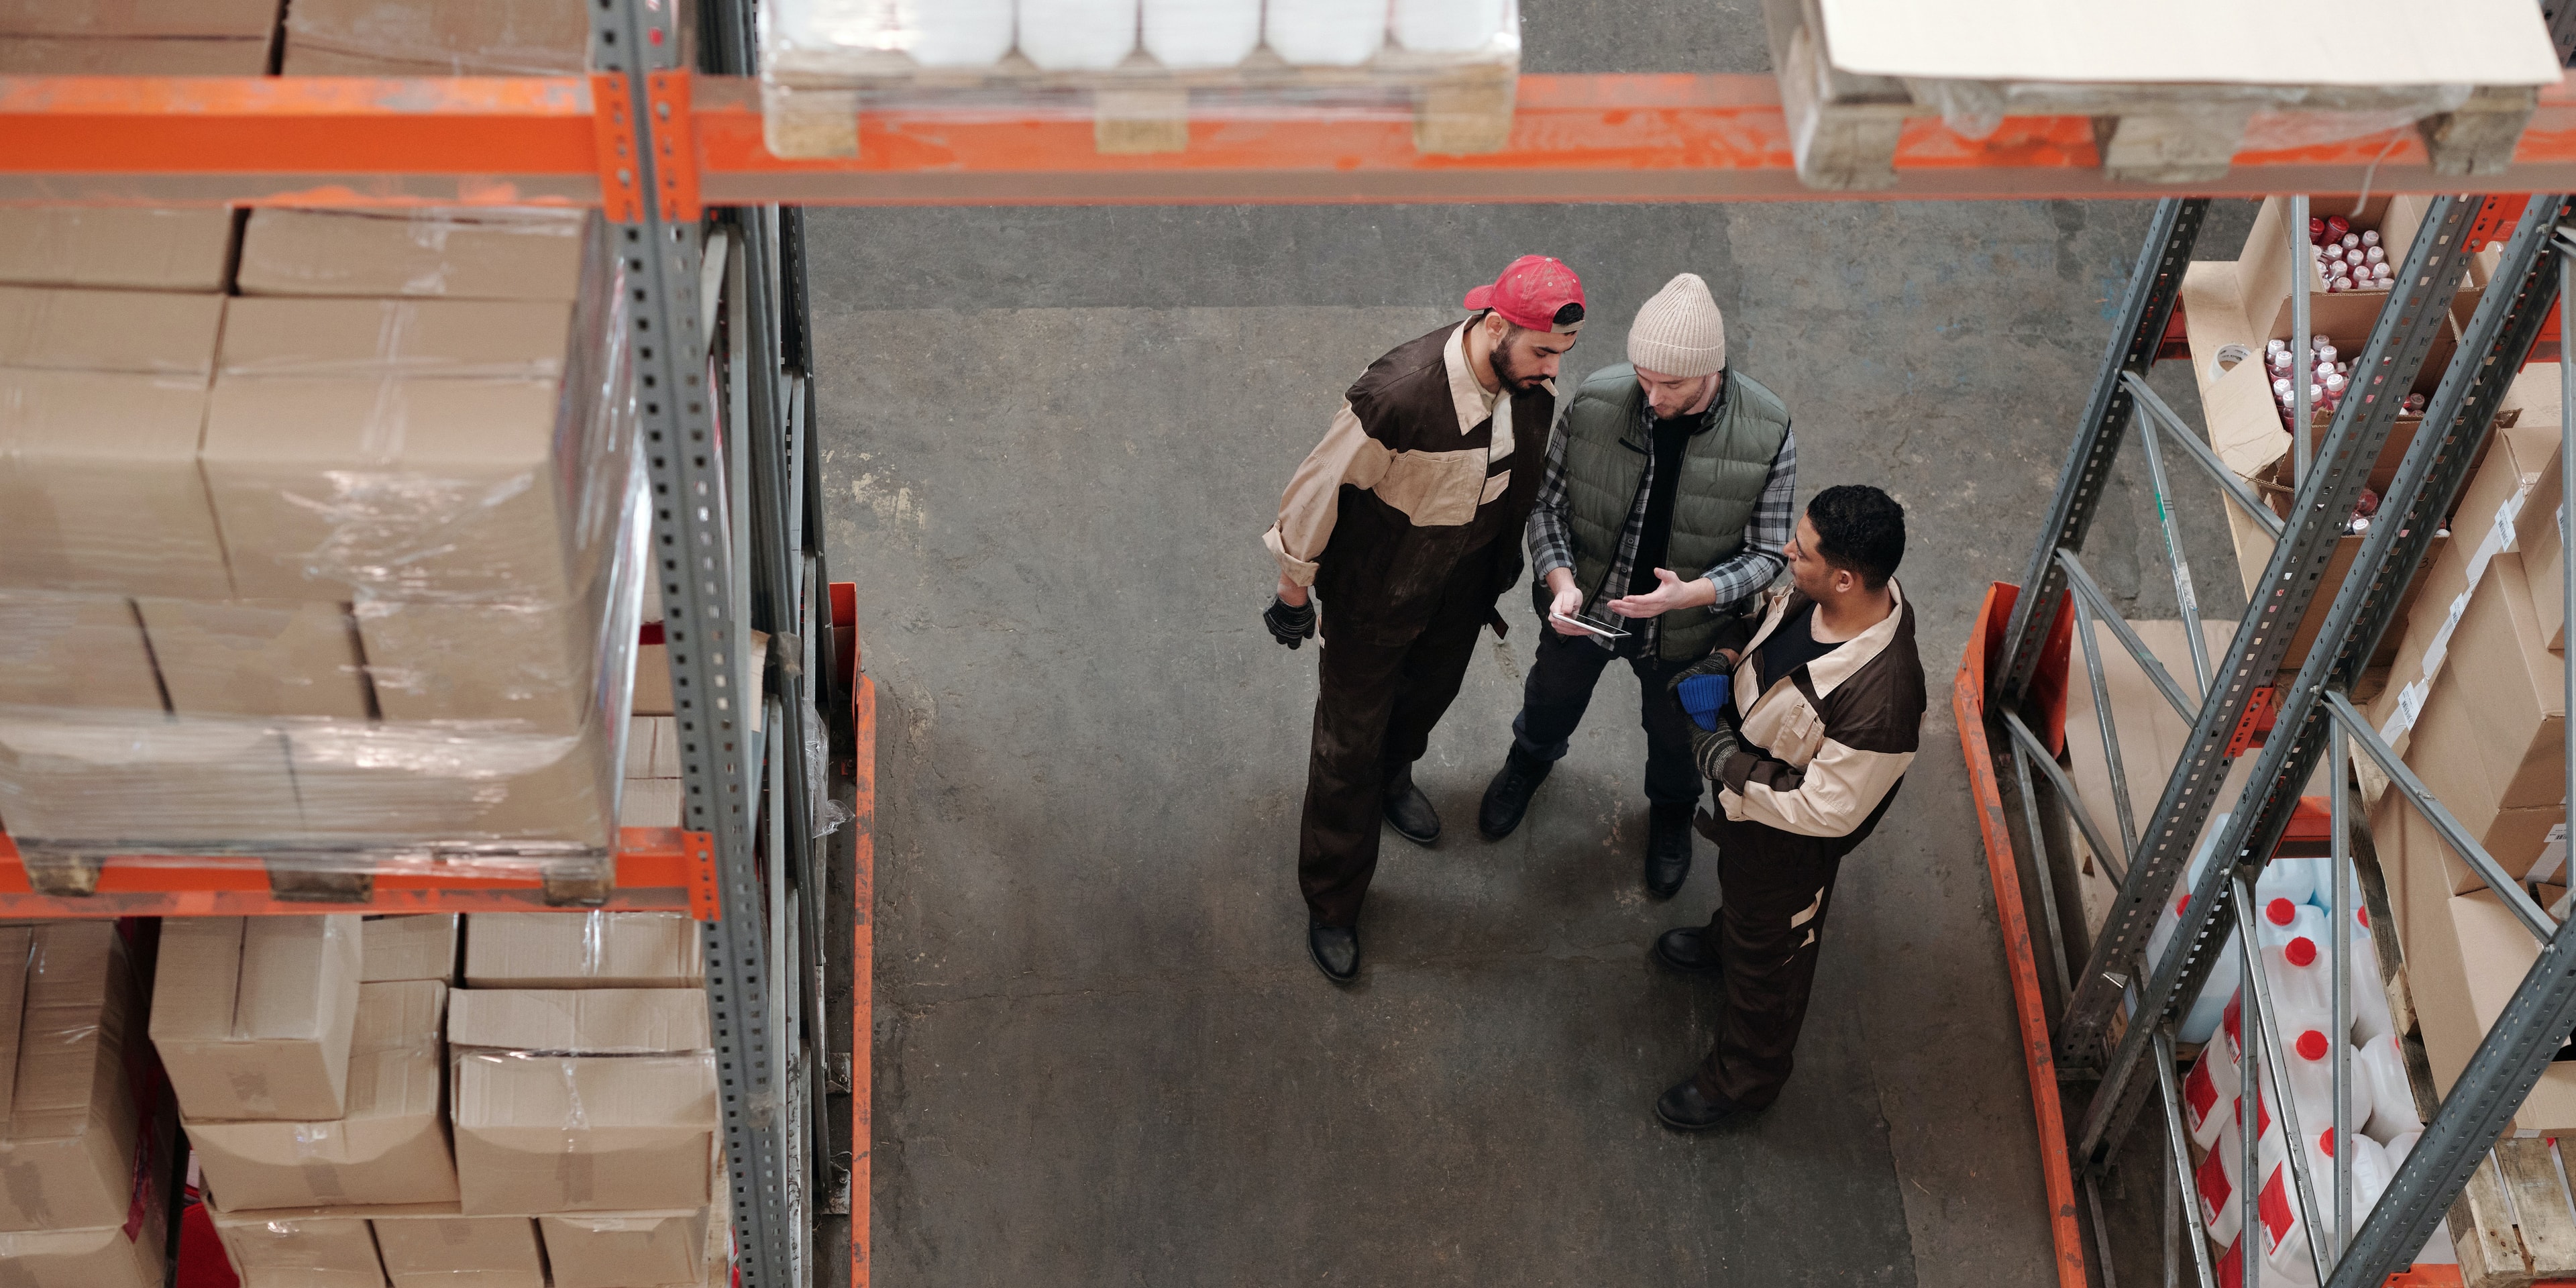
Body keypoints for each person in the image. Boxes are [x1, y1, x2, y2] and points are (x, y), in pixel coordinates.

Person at [1260, 255, 1587, 984]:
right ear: (1496, 325)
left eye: (1562, 356)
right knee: (1348, 748)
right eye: (1542, 352)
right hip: (1377, 597)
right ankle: (1334, 898)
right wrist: (1293, 590)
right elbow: (1318, 489)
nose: (1552, 372)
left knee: (1424, 704)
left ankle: (1394, 777)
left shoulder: (1527, 388)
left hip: (1461, 590)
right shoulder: (1400, 396)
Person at [1477, 272, 1795, 900]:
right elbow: (1547, 508)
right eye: (1643, 376)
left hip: (1689, 629)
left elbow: (1767, 553)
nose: (1650, 397)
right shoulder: (1598, 401)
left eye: (1670, 384)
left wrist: (1694, 594)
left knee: (1677, 738)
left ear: (1712, 371)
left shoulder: (1768, 430)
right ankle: (1528, 764)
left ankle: (1672, 813)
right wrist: (1561, 582)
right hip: (1587, 608)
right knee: (1549, 700)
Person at [1648, 484, 1924, 1131]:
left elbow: (1828, 810)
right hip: (1749, 819)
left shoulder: (1883, 700)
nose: (1785, 553)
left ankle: (1743, 1083)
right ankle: (1727, 942)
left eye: (1800, 552)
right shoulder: (1814, 593)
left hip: (1789, 847)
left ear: (1847, 578)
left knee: (1771, 966)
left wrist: (1723, 761)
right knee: (1744, 909)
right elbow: (1760, 625)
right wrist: (1721, 657)